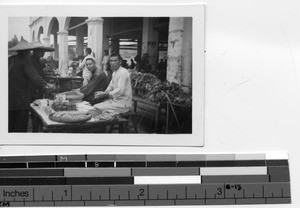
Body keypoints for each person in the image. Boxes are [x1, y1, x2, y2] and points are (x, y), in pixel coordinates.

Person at [9, 38, 56, 132]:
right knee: (20, 126)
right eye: (29, 51)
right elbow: (35, 77)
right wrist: (46, 85)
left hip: (9, 98)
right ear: (26, 51)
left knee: (10, 126)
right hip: (21, 99)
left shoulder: (10, 60)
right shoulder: (25, 61)